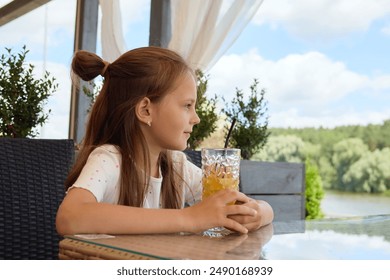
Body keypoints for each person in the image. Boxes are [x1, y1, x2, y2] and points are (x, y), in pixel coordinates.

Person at [56, 46, 273, 236]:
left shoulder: (177, 166)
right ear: (146, 110)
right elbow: (70, 217)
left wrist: (259, 214)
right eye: (187, 105)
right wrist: (189, 218)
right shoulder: (109, 160)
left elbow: (245, 205)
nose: (196, 118)